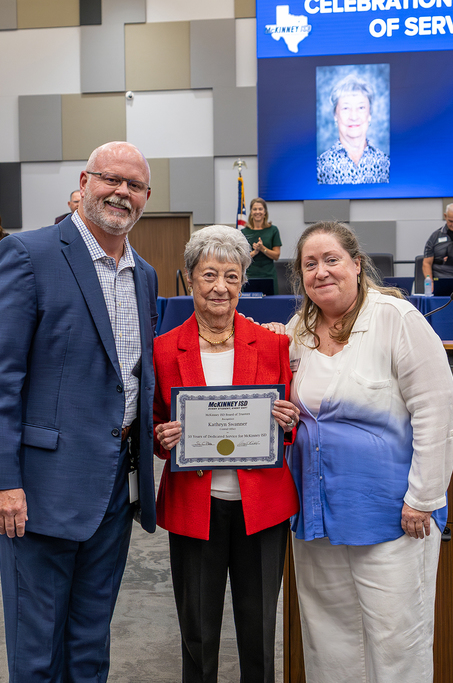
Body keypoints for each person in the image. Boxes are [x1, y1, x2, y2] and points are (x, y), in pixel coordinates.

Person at [0, 141, 159, 683]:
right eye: (110, 179)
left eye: (135, 185)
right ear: (85, 181)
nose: (122, 192)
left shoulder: (144, 275)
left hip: (114, 493)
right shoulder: (28, 255)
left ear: (147, 197)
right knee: (37, 652)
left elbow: (133, 377)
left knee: (90, 643)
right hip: (39, 491)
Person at [286, 221, 453, 683]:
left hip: (394, 517)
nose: (321, 272)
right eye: (310, 264)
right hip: (318, 515)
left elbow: (436, 411)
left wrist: (423, 498)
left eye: (331, 260)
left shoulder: (396, 320)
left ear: (357, 266)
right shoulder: (297, 331)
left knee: (397, 637)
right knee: (329, 638)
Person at [152, 225, 301, 683]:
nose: (221, 287)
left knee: (259, 631)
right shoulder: (163, 350)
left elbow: (289, 425)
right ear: (190, 279)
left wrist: (288, 422)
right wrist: (164, 437)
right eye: (210, 275)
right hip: (197, 508)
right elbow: (156, 426)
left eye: (232, 276)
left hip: (263, 508)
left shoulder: (275, 343)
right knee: (198, 632)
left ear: (243, 282)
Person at [316, 74, 389, 185]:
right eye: (346, 108)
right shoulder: (320, 167)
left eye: (361, 108)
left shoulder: (386, 164)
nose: (353, 117)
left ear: (369, 114)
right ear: (335, 115)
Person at [240, 198, 283, 294]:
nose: (257, 212)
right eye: (255, 209)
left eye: (260, 209)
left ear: (265, 212)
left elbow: (276, 256)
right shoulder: (244, 232)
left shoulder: (273, 230)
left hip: (269, 276)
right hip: (250, 276)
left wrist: (263, 249)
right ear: (251, 212)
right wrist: (254, 252)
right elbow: (242, 258)